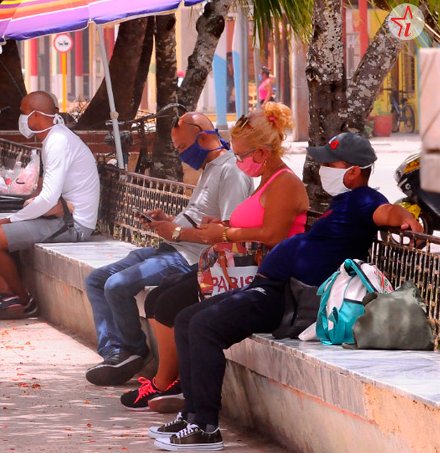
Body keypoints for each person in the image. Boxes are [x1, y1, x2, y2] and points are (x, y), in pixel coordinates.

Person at [152, 132, 422, 451]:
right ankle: (192, 415)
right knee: (186, 319)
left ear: (352, 171)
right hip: (271, 288)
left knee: (203, 327)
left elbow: (388, 213)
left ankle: (207, 427)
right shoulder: (344, 202)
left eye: (329, 163)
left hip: (285, 298)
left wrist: (407, 220)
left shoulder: (365, 199)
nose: (322, 169)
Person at [119, 103, 309, 411]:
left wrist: (221, 234)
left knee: (191, 320)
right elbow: (250, 225)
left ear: (262, 152)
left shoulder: (285, 182)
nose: (239, 161)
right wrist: (222, 227)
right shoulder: (268, 180)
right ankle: (189, 407)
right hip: (238, 269)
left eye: (242, 155)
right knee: (173, 310)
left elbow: (272, 234)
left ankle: (198, 416)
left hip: (263, 281)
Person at [84, 113, 253, 387]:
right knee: (96, 280)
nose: (181, 156)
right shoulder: (209, 168)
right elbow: (199, 216)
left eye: (183, 148)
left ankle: (134, 351)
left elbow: (226, 233)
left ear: (205, 137)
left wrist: (175, 231)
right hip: (172, 246)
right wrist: (169, 221)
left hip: (191, 258)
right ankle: (115, 352)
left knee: (117, 285)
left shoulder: (231, 171)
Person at [0, 91, 100, 320]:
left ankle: (24, 301)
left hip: (74, 225)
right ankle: (6, 296)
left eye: (23, 113)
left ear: (37, 115)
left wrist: (11, 219)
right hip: (59, 216)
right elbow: (46, 194)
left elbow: (49, 198)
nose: (21, 118)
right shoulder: (53, 138)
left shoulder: (58, 141)